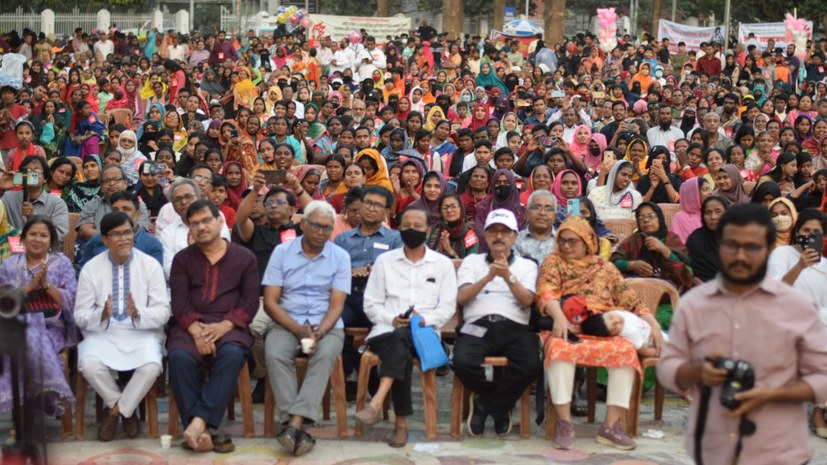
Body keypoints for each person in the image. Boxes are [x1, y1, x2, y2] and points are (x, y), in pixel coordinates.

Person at [658, 204, 827, 465]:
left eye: (752, 247)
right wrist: (697, 371)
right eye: (731, 245)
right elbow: (668, 368)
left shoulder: (798, 307)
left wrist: (775, 394)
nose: (741, 256)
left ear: (768, 250)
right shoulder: (696, 304)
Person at [537, 216, 662, 451]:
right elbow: (546, 292)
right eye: (562, 241)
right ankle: (565, 423)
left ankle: (611, 426)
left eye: (572, 241)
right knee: (560, 350)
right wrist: (559, 318)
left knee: (625, 352)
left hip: (603, 327)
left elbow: (629, 299)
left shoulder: (604, 267)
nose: (566, 246)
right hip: (566, 325)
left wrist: (652, 323)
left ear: (587, 241)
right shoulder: (553, 262)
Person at [355, 206, 457, 447]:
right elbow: (371, 304)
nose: (412, 230)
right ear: (399, 229)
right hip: (385, 331)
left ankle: (380, 405)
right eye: (407, 226)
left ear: (427, 230)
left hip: (425, 335)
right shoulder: (384, 261)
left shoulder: (441, 264)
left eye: (418, 226)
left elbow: (447, 307)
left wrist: (424, 319)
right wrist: (392, 319)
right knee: (399, 338)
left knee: (401, 339)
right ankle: (399, 422)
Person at [167, 200, 259, 453]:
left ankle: (196, 423)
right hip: (190, 326)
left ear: (220, 221)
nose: (201, 227)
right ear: (189, 229)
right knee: (179, 356)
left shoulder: (244, 257)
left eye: (206, 220)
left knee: (231, 355)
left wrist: (225, 325)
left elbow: (250, 301)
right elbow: (179, 302)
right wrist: (197, 332)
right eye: (194, 223)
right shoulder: (182, 260)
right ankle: (203, 429)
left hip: (231, 326)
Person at [262, 201, 351, 457]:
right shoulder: (282, 252)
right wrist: (298, 330)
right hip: (286, 321)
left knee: (324, 355)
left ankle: (293, 424)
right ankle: (297, 424)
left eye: (326, 228)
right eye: (316, 226)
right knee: (275, 354)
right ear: (303, 224)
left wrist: (319, 332)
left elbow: (336, 306)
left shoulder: (340, 257)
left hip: (326, 325)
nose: (320, 233)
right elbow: (270, 302)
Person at [74, 212, 170, 441]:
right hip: (104, 333)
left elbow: (163, 312)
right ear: (104, 240)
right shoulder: (91, 268)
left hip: (142, 332)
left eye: (127, 232)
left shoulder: (150, 266)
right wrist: (101, 314)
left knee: (152, 365)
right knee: (88, 363)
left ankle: (117, 411)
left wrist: (138, 313)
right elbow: (80, 315)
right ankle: (124, 408)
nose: (123, 238)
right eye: (116, 234)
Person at [453, 209, 541, 437]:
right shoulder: (471, 262)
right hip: (477, 325)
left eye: (505, 232)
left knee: (532, 364)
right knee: (462, 361)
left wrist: (508, 276)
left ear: (514, 236)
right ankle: (499, 404)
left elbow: (527, 301)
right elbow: (462, 298)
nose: (499, 236)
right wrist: (488, 277)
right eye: (493, 231)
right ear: (485, 235)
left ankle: (486, 403)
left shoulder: (527, 266)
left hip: (515, 327)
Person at [0, 216, 77, 418]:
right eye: (32, 234)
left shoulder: (62, 263)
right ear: (23, 239)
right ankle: (36, 403)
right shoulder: (9, 265)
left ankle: (27, 414)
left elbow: (72, 299)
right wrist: (30, 287)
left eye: (43, 235)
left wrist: (46, 286)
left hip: (51, 327)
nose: (37, 239)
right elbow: (3, 302)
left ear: (51, 240)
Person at [332, 187, 402, 386]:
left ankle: (368, 372)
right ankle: (357, 367)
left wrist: (377, 271)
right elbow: (331, 272)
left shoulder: (395, 239)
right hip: (348, 297)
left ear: (387, 211)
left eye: (378, 205)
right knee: (333, 324)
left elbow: (398, 272)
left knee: (385, 332)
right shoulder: (342, 239)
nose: (371, 208)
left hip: (380, 299)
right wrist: (350, 272)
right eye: (367, 203)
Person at [767, 207, 827, 437]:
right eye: (806, 230)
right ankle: (818, 412)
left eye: (816, 232)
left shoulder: (825, 267)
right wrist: (800, 265)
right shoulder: (782, 255)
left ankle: (820, 408)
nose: (810, 235)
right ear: (797, 231)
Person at [611, 202, 694, 293]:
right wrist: (632, 265)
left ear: (660, 218)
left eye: (650, 216)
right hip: (636, 290)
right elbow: (614, 262)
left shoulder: (671, 238)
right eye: (641, 218)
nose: (646, 220)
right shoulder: (633, 240)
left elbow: (687, 272)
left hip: (667, 292)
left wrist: (665, 251)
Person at [158, 177, 231, 279]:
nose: (183, 202)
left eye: (188, 196)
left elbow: (226, 255)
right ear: (173, 206)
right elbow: (169, 271)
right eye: (178, 199)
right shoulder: (168, 233)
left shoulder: (216, 218)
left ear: (198, 197)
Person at [79, 191, 163, 268]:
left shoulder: (152, 245)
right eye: (115, 210)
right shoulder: (98, 240)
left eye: (126, 209)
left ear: (138, 215)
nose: (120, 213)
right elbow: (83, 272)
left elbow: (156, 278)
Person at [2, 155, 70, 242]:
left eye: (36, 171)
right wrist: (1, 187)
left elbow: (60, 235)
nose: (31, 174)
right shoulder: (8, 198)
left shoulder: (57, 204)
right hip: (11, 251)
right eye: (27, 170)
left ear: (45, 178)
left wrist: (33, 218)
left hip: (43, 252)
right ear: (21, 176)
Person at [78, 164, 149, 242]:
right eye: (107, 180)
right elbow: (84, 230)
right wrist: (110, 241)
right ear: (101, 187)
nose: (111, 183)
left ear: (125, 183)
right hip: (99, 247)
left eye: (116, 179)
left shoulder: (139, 206)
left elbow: (141, 232)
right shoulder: (92, 205)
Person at [686, 196, 728, 284]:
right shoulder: (695, 240)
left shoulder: (739, 238)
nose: (713, 217)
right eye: (708, 213)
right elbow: (690, 272)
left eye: (718, 211)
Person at [515, 190, 557, 264]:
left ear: (554, 216)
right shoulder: (515, 240)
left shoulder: (563, 242)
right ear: (527, 213)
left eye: (548, 209)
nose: (542, 213)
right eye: (536, 208)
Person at [669, 177, 710, 243]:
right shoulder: (680, 218)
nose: (710, 193)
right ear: (693, 194)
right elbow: (676, 245)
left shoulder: (711, 213)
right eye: (705, 189)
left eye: (709, 189)